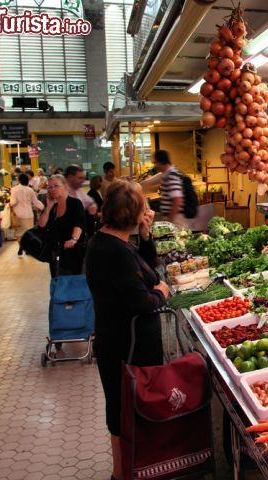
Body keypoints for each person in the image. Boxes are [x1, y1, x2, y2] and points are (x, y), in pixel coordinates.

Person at [85, 180, 169, 480]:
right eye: (143, 207)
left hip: (120, 342)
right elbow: (143, 300)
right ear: (132, 213)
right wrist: (162, 292)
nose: (147, 211)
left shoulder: (112, 241)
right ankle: (124, 474)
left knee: (125, 411)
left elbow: (143, 270)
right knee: (124, 413)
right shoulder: (112, 251)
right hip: (126, 347)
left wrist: (145, 236)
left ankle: (134, 470)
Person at [38, 175, 85, 277]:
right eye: (50, 187)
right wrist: (49, 207)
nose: (53, 189)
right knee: (57, 282)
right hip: (56, 253)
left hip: (71, 253)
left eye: (56, 186)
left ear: (65, 186)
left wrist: (74, 239)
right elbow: (41, 225)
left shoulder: (75, 203)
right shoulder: (53, 207)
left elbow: (79, 224)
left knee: (71, 283)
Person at [10, 173, 44, 255]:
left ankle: (21, 246)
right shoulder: (30, 190)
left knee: (19, 233)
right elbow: (36, 202)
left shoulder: (14, 189)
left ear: (19, 180)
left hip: (18, 215)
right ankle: (26, 248)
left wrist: (9, 204)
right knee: (28, 233)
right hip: (29, 214)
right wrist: (43, 207)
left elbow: (13, 202)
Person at [153, 150, 187, 228]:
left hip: (175, 219)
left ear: (160, 162)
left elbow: (177, 199)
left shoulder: (171, 175)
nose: (155, 165)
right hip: (172, 218)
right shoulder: (167, 174)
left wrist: (169, 220)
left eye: (155, 162)